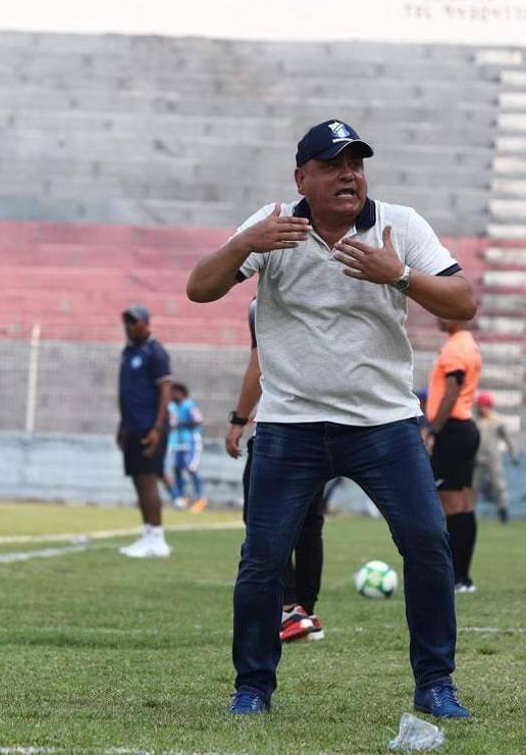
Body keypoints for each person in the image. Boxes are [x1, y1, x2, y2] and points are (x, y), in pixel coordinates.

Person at [187, 119, 476, 718]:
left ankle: (436, 684)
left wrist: (396, 274)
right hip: (291, 426)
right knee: (263, 558)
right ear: (303, 178)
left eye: (357, 163)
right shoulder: (273, 226)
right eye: (333, 164)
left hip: (384, 424)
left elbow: (465, 302)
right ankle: (252, 689)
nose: (349, 174)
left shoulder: (401, 224)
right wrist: (246, 245)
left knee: (427, 544)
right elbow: (199, 289)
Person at [226, 298, 327, 643]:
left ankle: (287, 610)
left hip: (284, 425)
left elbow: (259, 362)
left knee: (262, 518)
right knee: (310, 524)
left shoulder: (263, 303)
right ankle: (306, 612)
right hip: (328, 423)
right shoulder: (324, 293)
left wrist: (239, 418)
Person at [426, 318, 482, 592]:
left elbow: (452, 388)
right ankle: (462, 577)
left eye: (441, 312)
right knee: (463, 503)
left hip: (452, 430)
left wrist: (434, 430)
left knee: (449, 504)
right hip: (463, 429)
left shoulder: (456, 347)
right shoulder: (465, 343)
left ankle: (456, 577)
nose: (437, 316)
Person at [116, 304, 173, 559]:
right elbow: (127, 393)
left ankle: (158, 538)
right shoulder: (129, 352)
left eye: (133, 321)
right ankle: (148, 534)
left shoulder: (155, 352)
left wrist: (157, 428)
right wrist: (122, 425)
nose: (128, 326)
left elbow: (165, 392)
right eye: (126, 321)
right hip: (133, 427)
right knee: (139, 480)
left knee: (149, 479)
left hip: (151, 427)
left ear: (146, 323)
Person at [473, 392, 519, 523]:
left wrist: (514, 454)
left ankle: (503, 510)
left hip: (494, 458)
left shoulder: (497, 421)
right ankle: (470, 512)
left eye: (484, 405)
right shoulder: (475, 421)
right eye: (480, 406)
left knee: (499, 485)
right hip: (478, 459)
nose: (482, 408)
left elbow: (508, 438)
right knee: (474, 487)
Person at [168, 382, 208, 513]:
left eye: (174, 392)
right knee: (177, 469)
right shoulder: (172, 406)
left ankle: (201, 498)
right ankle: (182, 498)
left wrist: (182, 423)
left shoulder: (189, 405)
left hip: (191, 442)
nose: (172, 395)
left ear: (181, 393)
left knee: (191, 468)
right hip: (177, 443)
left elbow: (198, 419)